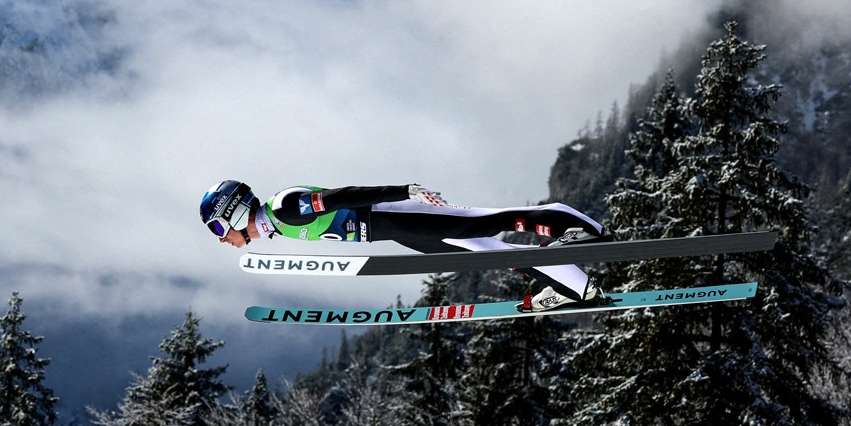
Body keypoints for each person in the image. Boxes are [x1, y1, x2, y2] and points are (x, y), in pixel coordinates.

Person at [200, 180, 609, 311]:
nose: (223, 239)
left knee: (488, 224)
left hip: (396, 215)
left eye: (219, 228)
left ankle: (575, 228)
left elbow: (343, 197)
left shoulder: (285, 207)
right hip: (395, 231)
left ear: (233, 212)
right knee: (487, 251)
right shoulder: (277, 223)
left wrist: (404, 189)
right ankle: (571, 283)